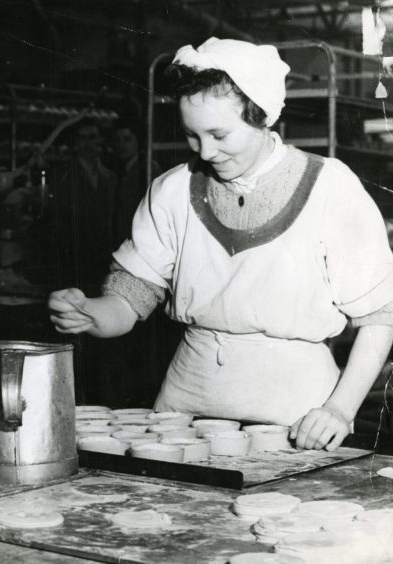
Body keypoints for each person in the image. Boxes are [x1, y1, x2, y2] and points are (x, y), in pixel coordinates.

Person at [50, 37, 393, 451]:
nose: (206, 151)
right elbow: (131, 297)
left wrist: (340, 409)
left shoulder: (329, 187)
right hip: (184, 413)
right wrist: (91, 314)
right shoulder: (173, 190)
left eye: (219, 133)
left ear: (262, 115)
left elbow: (380, 318)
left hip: (298, 415)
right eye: (193, 136)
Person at [52, 118, 120, 294]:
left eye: (92, 137)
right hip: (74, 259)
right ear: (76, 143)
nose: (88, 143)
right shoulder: (63, 176)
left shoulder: (110, 176)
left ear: (100, 140)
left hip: (103, 257)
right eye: (82, 138)